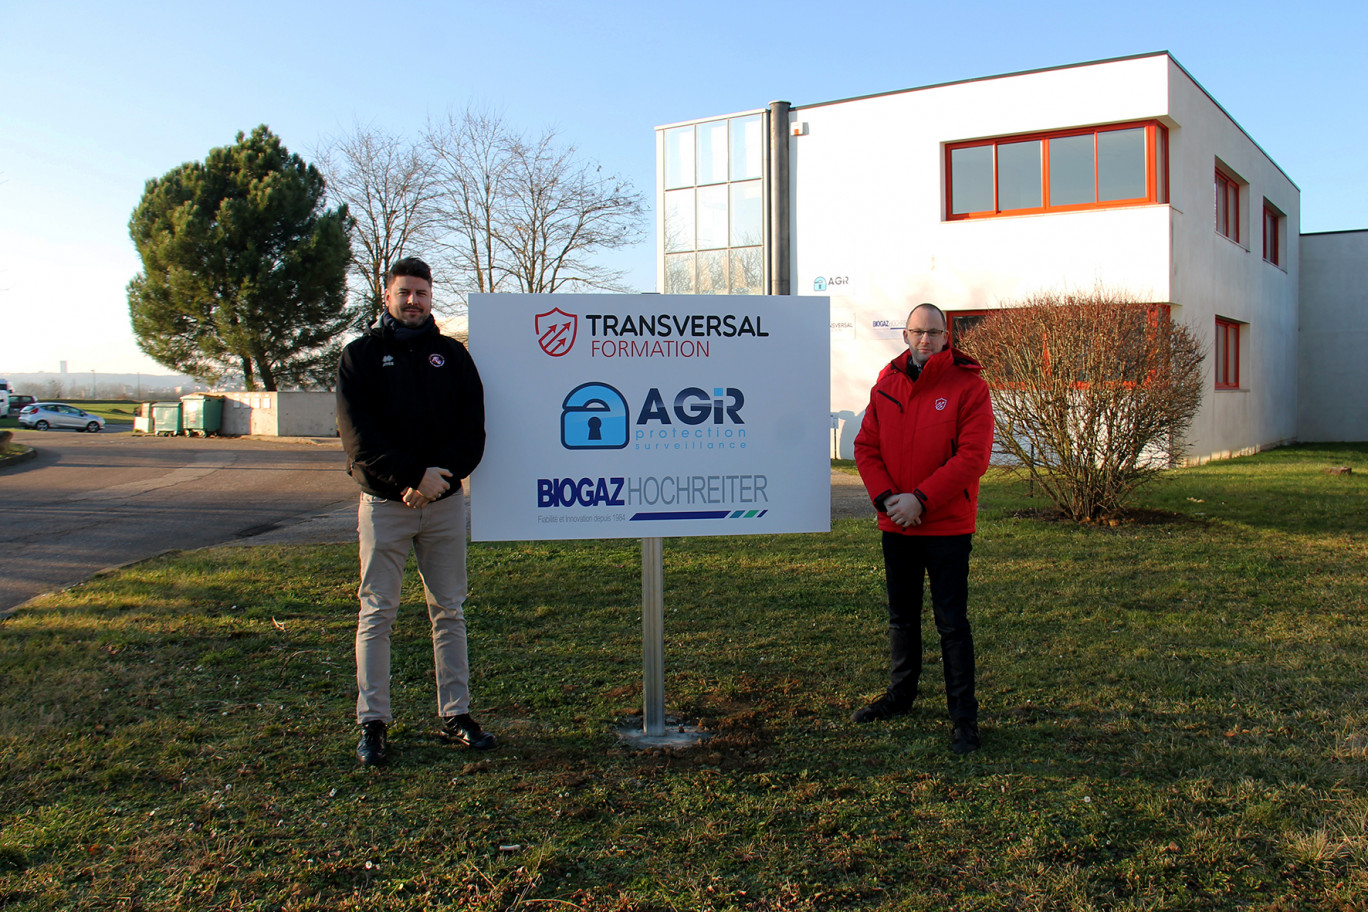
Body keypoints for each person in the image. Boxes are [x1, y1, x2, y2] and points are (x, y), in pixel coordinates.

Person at [336, 256, 493, 767]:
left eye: (421, 293)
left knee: (449, 611)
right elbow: (359, 440)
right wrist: (409, 478)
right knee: (377, 612)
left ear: (431, 298)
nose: (413, 301)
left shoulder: (453, 356)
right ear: (387, 296)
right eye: (404, 292)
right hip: (385, 505)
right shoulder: (359, 357)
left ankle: (457, 714)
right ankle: (373, 723)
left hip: (444, 506)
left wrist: (437, 478)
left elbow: (472, 430)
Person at [852, 302, 993, 754]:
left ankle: (963, 719)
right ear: (906, 335)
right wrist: (890, 499)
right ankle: (901, 695)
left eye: (934, 332)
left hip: (946, 525)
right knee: (902, 617)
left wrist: (922, 499)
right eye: (917, 332)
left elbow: (972, 457)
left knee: (951, 624)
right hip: (897, 523)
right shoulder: (887, 383)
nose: (925, 339)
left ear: (946, 336)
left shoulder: (969, 386)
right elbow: (865, 446)